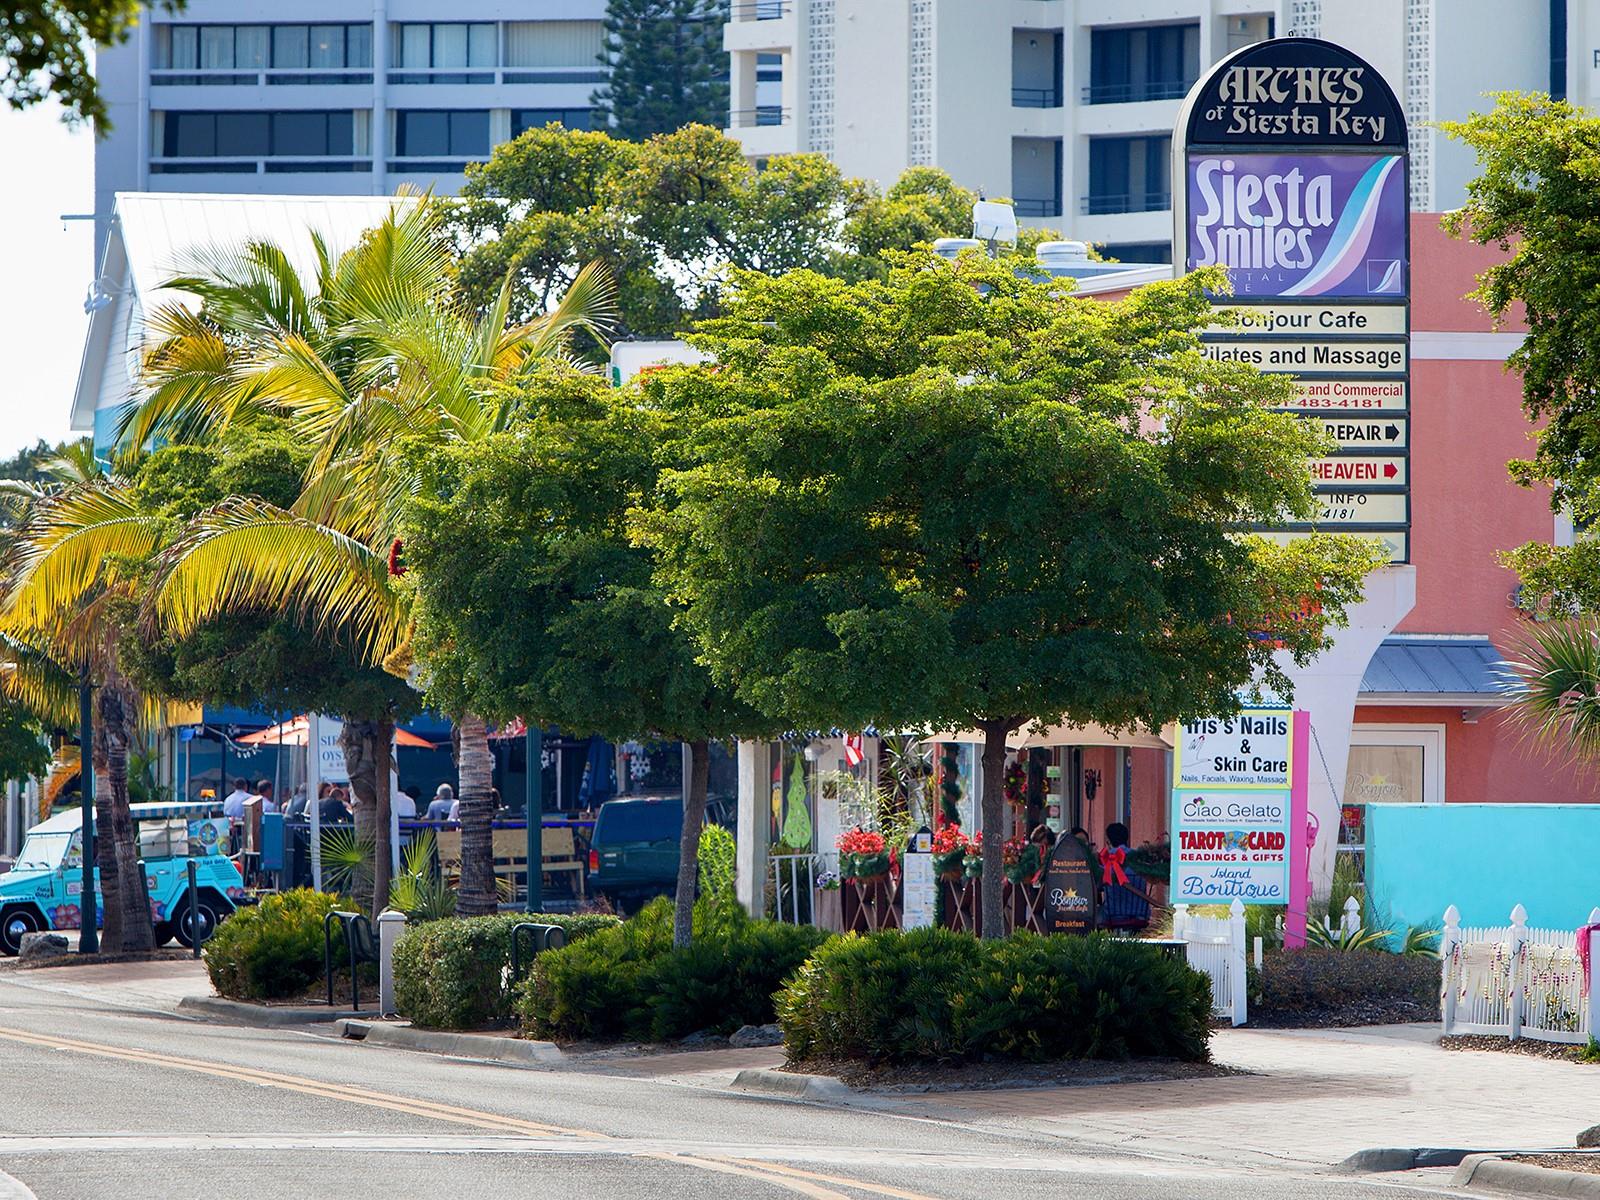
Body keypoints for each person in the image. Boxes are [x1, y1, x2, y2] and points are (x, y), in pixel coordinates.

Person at [1098, 821, 1151, 931]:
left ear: (1108, 841)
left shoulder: (1106, 860)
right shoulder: (1139, 859)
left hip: (1112, 915)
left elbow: (1099, 884)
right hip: (1140, 914)